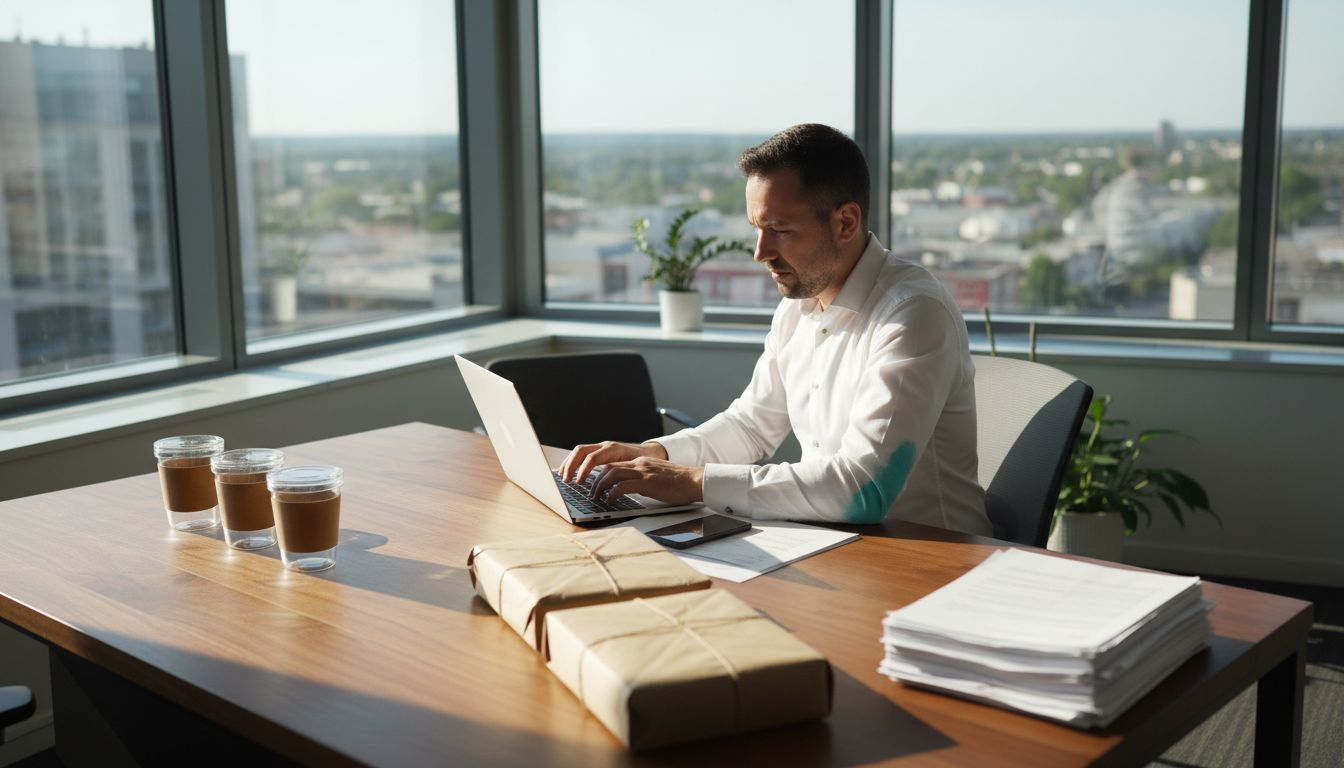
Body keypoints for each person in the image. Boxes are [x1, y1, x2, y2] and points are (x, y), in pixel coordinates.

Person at [561, 124, 990, 535]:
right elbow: (751, 426)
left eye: (780, 230)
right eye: (757, 230)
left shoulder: (913, 313)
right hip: (836, 542)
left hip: (934, 556)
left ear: (845, 222)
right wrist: (656, 454)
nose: (760, 253)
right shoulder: (797, 307)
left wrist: (693, 482)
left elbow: (864, 489)